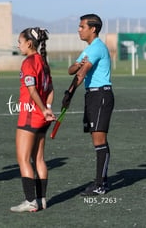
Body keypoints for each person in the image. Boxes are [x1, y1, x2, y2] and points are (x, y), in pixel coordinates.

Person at [63, 14, 113, 196]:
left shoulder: (97, 48)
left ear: (93, 29)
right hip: (91, 96)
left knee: (100, 141)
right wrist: (77, 66)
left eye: (82, 26)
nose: (79, 29)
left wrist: (69, 93)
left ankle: (100, 185)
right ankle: (102, 181)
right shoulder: (89, 49)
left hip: (101, 95)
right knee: (97, 140)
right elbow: (72, 70)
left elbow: (81, 73)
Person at [10, 27, 55, 213]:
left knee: (23, 159)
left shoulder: (29, 62)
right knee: (39, 159)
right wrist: (48, 109)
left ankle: (30, 202)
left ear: (29, 43)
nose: (18, 45)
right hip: (42, 119)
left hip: (30, 116)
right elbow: (50, 89)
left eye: (20, 42)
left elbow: (31, 90)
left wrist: (44, 109)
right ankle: (41, 199)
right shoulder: (43, 62)